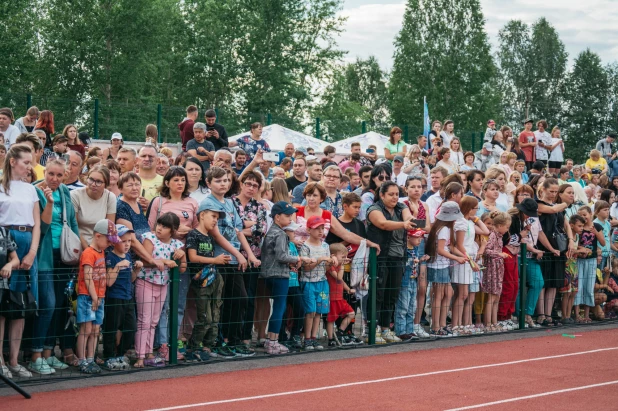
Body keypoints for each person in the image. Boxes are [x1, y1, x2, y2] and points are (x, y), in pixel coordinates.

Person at [29, 159, 79, 373]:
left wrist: (77, 250)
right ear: (45, 172)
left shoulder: (66, 192)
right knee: (47, 304)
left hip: (64, 253)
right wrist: (48, 200)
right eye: (51, 174)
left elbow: (73, 221)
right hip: (44, 254)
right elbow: (43, 225)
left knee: (59, 305)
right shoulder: (35, 190)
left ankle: (48, 354)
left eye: (59, 175)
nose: (55, 179)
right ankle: (35, 354)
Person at [135, 212, 186, 368]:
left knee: (154, 320)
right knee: (144, 320)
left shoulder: (176, 244)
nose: (160, 229)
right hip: (146, 281)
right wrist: (163, 261)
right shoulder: (149, 238)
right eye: (159, 224)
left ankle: (149, 353)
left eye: (165, 227)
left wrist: (182, 255)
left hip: (163, 284)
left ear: (173, 230)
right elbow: (145, 261)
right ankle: (140, 357)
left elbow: (182, 269)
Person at [366, 181, 414, 343]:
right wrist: (404, 224)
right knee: (377, 293)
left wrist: (409, 221)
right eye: (391, 194)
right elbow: (382, 224)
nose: (395, 197)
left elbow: (409, 217)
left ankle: (386, 328)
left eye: (397, 194)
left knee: (391, 295)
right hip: (380, 257)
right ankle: (372, 329)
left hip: (398, 257)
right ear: (381, 195)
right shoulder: (374, 209)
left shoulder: (401, 207)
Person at [260, 202, 307, 354]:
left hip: (270, 273)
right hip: (278, 274)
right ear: (277, 217)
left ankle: (271, 340)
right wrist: (297, 259)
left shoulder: (272, 232)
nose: (290, 218)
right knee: (279, 308)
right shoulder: (280, 234)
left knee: (279, 307)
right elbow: (281, 256)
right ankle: (273, 341)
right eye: (287, 216)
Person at [184, 200, 228, 361]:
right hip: (200, 281)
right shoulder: (194, 234)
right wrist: (215, 261)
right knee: (205, 317)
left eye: (217, 217)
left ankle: (207, 345)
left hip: (213, 278)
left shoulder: (209, 237)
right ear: (202, 215)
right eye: (213, 216)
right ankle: (194, 347)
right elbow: (192, 257)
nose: (215, 220)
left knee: (215, 314)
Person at [75, 219, 120, 374]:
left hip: (99, 296)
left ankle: (90, 358)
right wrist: (94, 297)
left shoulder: (101, 252)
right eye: (108, 240)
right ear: (98, 236)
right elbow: (87, 277)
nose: (110, 244)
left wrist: (99, 297)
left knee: (95, 329)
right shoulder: (88, 253)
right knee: (86, 329)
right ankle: (82, 360)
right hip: (88, 296)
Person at [232, 171, 268, 351]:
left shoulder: (260, 207)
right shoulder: (231, 202)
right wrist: (245, 227)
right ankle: (230, 337)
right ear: (241, 184)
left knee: (250, 298)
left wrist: (240, 228)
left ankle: (246, 336)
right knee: (233, 298)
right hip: (232, 257)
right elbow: (228, 228)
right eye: (248, 183)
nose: (251, 187)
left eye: (255, 185)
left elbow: (260, 231)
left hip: (253, 258)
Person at [102, 225, 143, 370]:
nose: (127, 244)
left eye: (129, 241)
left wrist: (137, 270)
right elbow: (108, 282)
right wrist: (118, 267)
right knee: (111, 328)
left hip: (128, 296)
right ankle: (108, 355)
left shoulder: (128, 256)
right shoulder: (110, 257)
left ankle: (120, 353)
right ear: (114, 242)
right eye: (123, 241)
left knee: (131, 328)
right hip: (114, 297)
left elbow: (131, 279)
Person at [425, 201, 467, 337]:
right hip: (438, 265)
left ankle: (441, 324)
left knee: (447, 293)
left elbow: (449, 248)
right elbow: (441, 250)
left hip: (441, 264)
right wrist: (456, 258)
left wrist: (462, 256)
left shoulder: (444, 229)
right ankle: (436, 326)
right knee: (439, 296)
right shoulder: (443, 229)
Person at [452, 197, 489, 335]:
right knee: (462, 294)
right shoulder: (460, 223)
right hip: (464, 260)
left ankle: (460, 324)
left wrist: (476, 219)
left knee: (464, 294)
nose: (477, 211)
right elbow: (460, 245)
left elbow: (485, 231)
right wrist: (470, 261)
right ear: (469, 208)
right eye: (475, 208)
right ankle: (456, 325)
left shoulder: (468, 222)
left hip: (469, 259)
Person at [298, 216, 333, 350]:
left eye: (322, 228)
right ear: (308, 229)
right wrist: (320, 260)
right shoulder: (305, 246)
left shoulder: (325, 245)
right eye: (316, 228)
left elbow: (326, 268)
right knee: (310, 311)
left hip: (322, 282)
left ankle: (314, 337)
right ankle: (307, 338)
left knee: (319, 311)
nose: (320, 231)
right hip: (309, 282)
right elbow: (305, 268)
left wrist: (330, 262)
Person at [71, 166, 117, 250]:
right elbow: (74, 226)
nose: (93, 184)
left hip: (101, 244)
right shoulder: (75, 195)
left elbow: (109, 227)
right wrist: (88, 250)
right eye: (91, 179)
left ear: (105, 184)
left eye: (98, 182)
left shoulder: (110, 197)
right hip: (78, 243)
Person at [394, 229, 427, 340]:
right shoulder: (404, 250)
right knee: (403, 307)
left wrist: (421, 260)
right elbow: (402, 264)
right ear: (408, 237)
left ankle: (410, 330)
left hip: (413, 280)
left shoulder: (415, 249)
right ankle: (401, 331)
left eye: (420, 237)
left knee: (412, 307)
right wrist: (413, 262)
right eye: (417, 237)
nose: (420, 240)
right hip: (405, 281)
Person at [574, 206, 605, 323]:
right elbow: (574, 241)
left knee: (589, 287)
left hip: (591, 260)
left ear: (590, 214)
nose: (583, 217)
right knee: (579, 286)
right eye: (580, 215)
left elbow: (602, 242)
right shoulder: (579, 228)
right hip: (579, 260)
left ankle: (587, 314)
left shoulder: (596, 226)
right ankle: (577, 314)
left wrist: (595, 232)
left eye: (584, 215)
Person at [482, 212, 511, 332]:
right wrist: (499, 254)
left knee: (496, 296)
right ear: (499, 226)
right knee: (491, 297)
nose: (508, 229)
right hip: (492, 268)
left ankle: (494, 322)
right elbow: (486, 250)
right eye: (507, 227)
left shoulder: (499, 236)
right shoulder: (492, 235)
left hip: (498, 267)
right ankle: (488, 323)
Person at [0, 225, 20, 379]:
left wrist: (9, 264)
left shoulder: (3, 232)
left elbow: (15, 259)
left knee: (1, 319)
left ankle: (2, 362)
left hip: (2, 285)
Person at [562, 214, 586, 323]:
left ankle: (568, 314)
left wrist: (582, 252)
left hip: (574, 266)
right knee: (566, 292)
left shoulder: (577, 237)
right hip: (567, 266)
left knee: (573, 292)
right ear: (571, 226)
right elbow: (568, 251)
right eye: (579, 226)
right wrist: (580, 251)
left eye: (582, 226)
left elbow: (576, 250)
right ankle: (564, 316)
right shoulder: (568, 236)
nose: (581, 228)